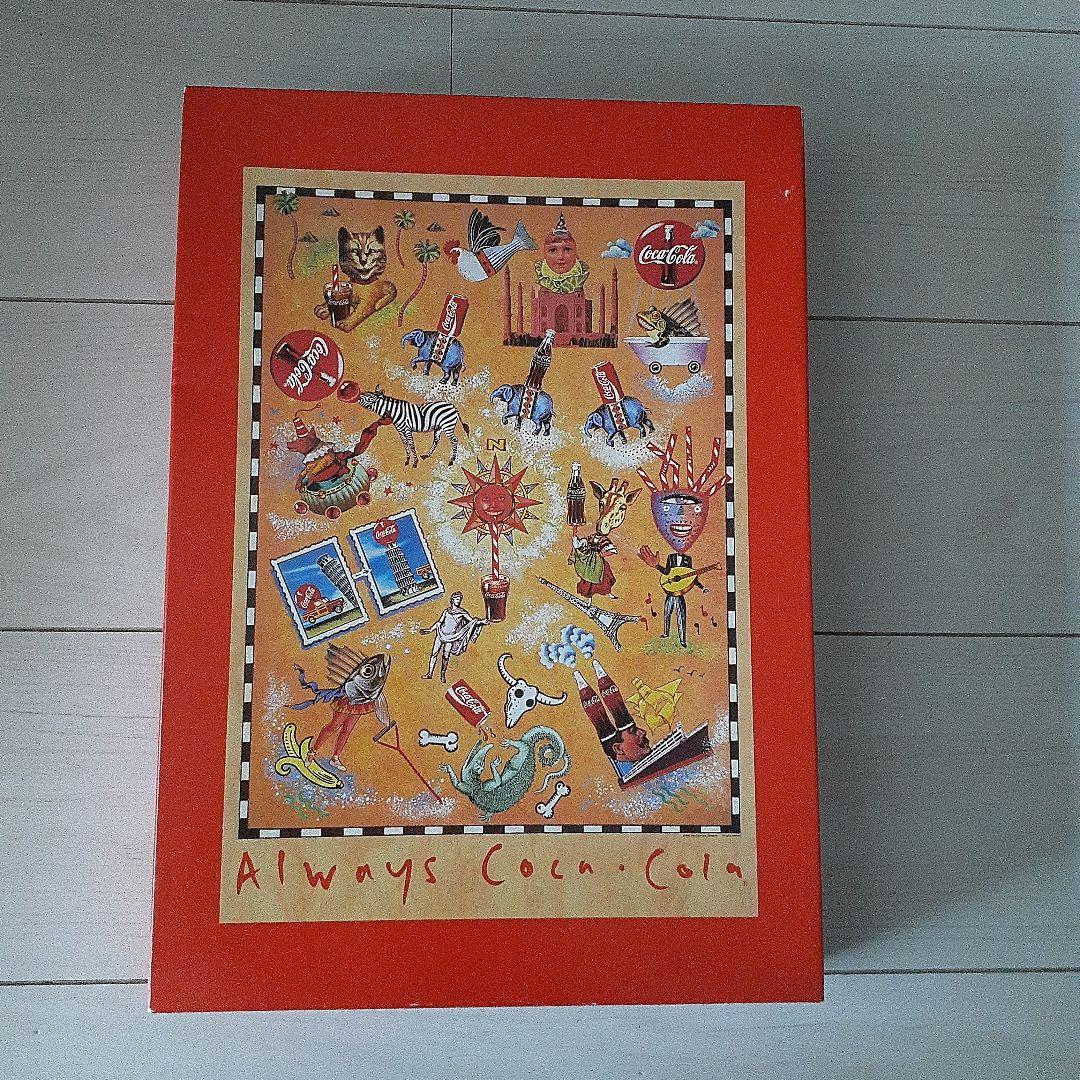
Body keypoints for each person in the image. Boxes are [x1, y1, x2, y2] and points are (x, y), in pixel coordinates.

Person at [419, 592, 487, 682]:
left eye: (460, 599)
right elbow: (439, 622)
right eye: (457, 599)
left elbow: (472, 622)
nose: (459, 601)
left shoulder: (462, 613)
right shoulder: (446, 611)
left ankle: (442, 674)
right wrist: (430, 629)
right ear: (452, 600)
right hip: (440, 634)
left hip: (451, 637)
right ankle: (430, 673)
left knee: (445, 656)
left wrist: (482, 622)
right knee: (434, 654)